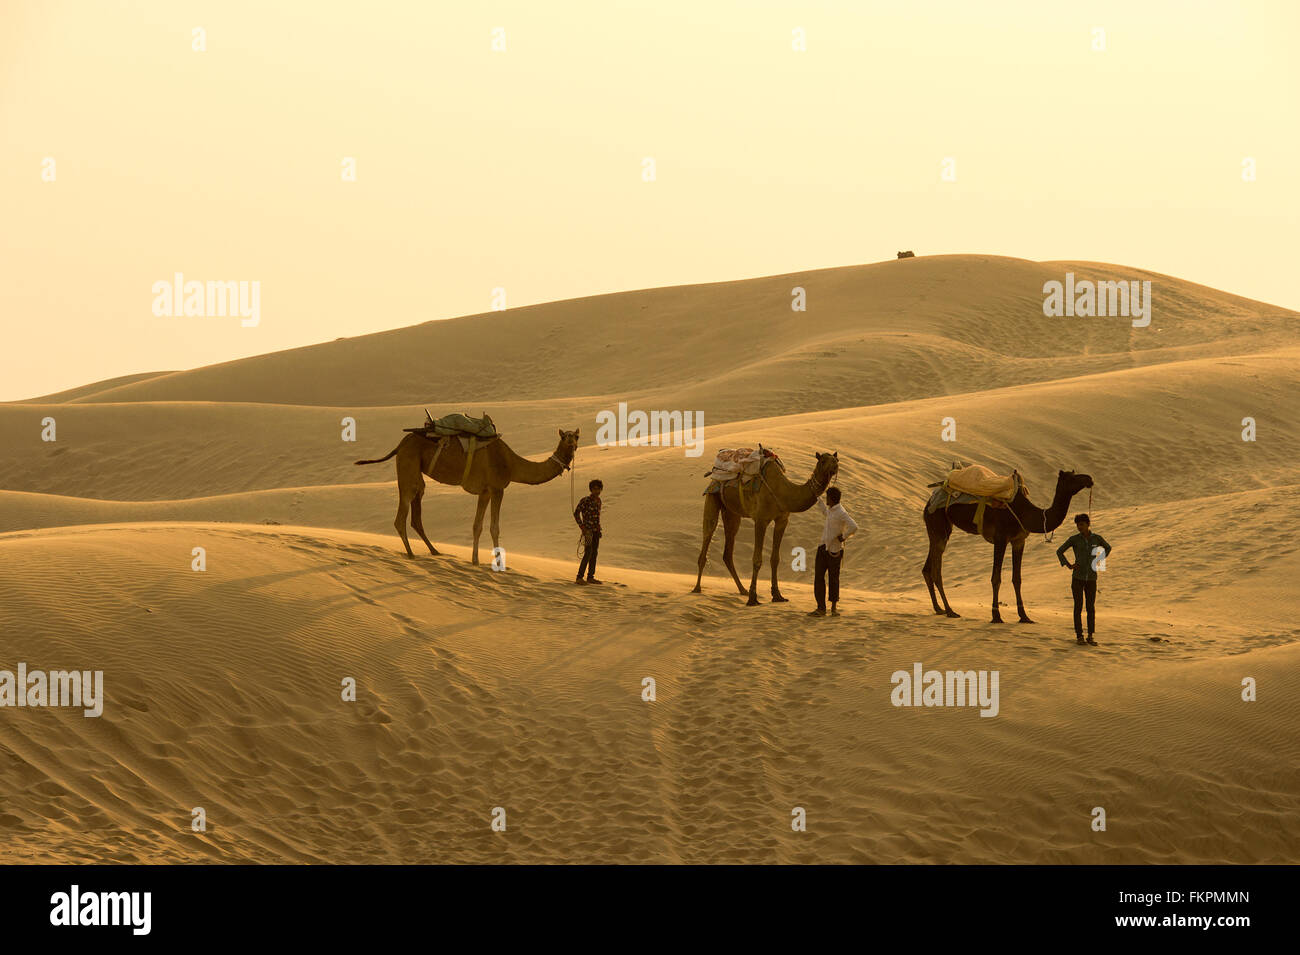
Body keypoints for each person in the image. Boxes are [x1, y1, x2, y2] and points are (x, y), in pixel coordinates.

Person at [1055, 513, 1112, 645]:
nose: (1079, 527)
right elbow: (1059, 551)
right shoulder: (1074, 539)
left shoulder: (1096, 538)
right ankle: (1079, 635)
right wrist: (1068, 564)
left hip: (1092, 578)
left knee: (1090, 607)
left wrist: (1099, 559)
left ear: (1088, 524)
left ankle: (1090, 636)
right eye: (1077, 525)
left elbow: (1108, 548)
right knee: (1078, 606)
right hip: (1077, 578)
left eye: (1081, 524)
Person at [809, 486, 857, 617]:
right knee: (819, 578)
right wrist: (818, 499)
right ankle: (821, 608)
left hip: (834, 551)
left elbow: (853, 526)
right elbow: (825, 512)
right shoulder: (831, 510)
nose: (826, 500)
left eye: (827, 497)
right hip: (823, 547)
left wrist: (844, 536)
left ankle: (834, 608)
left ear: (832, 498)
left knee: (833, 579)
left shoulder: (841, 512)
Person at [573, 479, 604, 585]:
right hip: (588, 531)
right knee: (588, 553)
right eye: (595, 489)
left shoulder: (599, 501)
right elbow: (576, 513)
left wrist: (599, 529)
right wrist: (582, 527)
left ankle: (590, 577)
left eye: (599, 489)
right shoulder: (585, 500)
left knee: (594, 553)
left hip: (595, 531)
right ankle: (579, 577)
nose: (597, 491)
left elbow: (597, 517)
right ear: (591, 489)